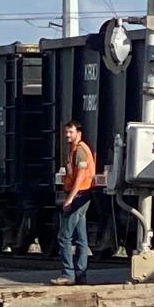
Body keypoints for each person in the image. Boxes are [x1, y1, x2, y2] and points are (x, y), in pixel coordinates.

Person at [50, 120, 95, 286]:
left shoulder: (80, 151)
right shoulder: (75, 150)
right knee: (81, 238)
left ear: (79, 133)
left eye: (70, 132)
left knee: (64, 236)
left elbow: (81, 177)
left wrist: (69, 199)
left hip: (79, 196)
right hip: (82, 195)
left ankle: (68, 274)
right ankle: (80, 275)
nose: (67, 135)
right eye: (66, 132)